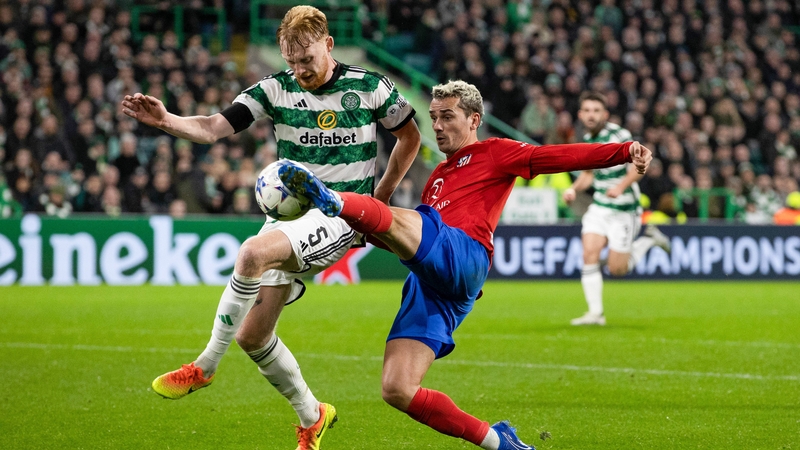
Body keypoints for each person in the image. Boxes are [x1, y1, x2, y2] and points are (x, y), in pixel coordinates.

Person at [277, 80, 653, 449]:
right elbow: (402, 238)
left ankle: (332, 199)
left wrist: (623, 152)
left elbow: (556, 157)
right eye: (433, 117)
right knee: (397, 388)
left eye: (448, 117)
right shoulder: (437, 178)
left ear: (474, 120)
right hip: (431, 282)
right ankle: (499, 441)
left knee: (409, 219)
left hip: (465, 254)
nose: (437, 126)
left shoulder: (494, 152)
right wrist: (365, 226)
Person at [121, 6, 421, 449]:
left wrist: (380, 196)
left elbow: (410, 136)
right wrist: (167, 121)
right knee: (253, 336)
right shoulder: (275, 89)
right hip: (289, 218)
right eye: (291, 62)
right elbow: (212, 127)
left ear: (329, 45)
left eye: (307, 60)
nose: (300, 71)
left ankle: (205, 366)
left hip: (340, 215)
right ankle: (313, 416)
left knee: (250, 254)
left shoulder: (370, 86)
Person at [563, 92, 670, 326]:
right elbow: (588, 175)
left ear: (605, 114)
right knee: (589, 254)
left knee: (617, 269)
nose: (591, 115)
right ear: (580, 115)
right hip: (600, 207)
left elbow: (639, 166)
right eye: (587, 111)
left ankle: (649, 240)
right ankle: (595, 314)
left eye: (596, 111)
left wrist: (621, 186)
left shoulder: (619, 135)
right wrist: (573, 189)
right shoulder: (586, 140)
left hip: (624, 209)